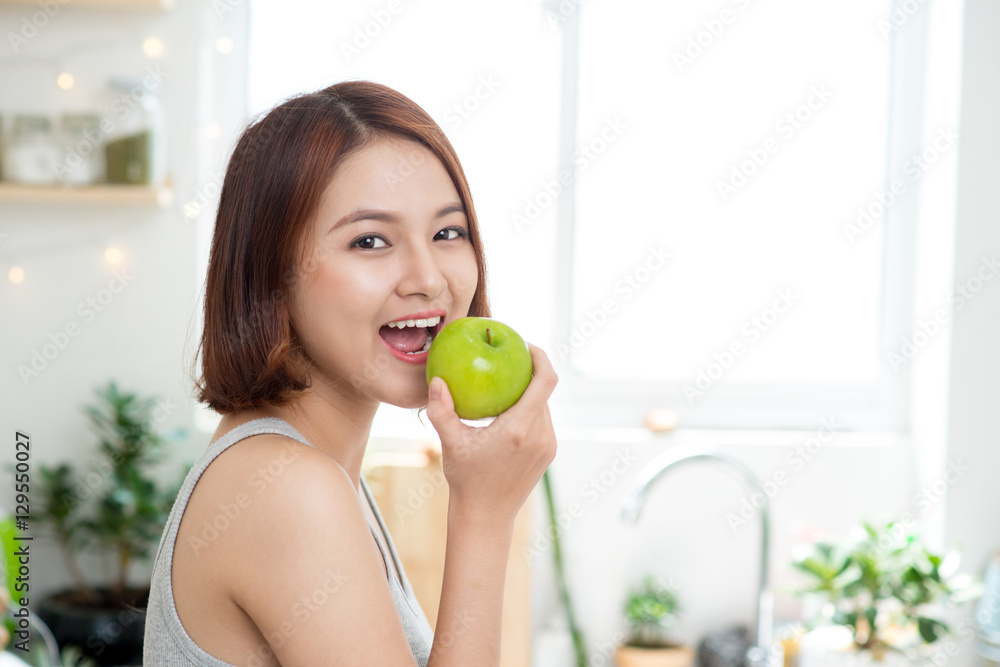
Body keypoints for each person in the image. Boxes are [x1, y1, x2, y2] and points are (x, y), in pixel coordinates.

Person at [142, 80, 558, 666]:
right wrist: (486, 517)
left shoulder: (326, 474)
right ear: (272, 275)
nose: (429, 278)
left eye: (447, 232)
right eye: (370, 241)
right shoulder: (286, 487)